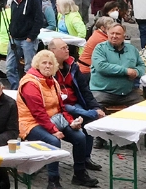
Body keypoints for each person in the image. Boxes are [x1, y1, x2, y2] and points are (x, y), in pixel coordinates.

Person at [18, 50, 97, 188]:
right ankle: (53, 180)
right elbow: (38, 113)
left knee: (80, 137)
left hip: (53, 119)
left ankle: (80, 174)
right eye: (44, 63)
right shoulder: (30, 83)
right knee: (53, 141)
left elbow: (61, 108)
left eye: (50, 63)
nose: (47, 66)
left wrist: (71, 122)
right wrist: (54, 130)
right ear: (37, 65)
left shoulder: (53, 81)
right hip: (30, 123)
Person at [89, 23, 146, 106]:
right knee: (94, 109)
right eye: (112, 33)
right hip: (102, 92)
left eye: (118, 34)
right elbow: (101, 66)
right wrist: (126, 71)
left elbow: (142, 66)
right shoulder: (100, 48)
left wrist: (136, 72)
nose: (114, 36)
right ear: (107, 34)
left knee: (145, 108)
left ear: (124, 36)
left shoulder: (132, 49)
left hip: (127, 93)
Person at [6, 0, 45, 86]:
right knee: (9, 68)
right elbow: (13, 17)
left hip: (27, 40)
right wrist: (11, 32)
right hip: (14, 38)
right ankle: (16, 89)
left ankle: (27, 90)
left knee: (29, 69)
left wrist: (31, 37)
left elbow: (39, 19)